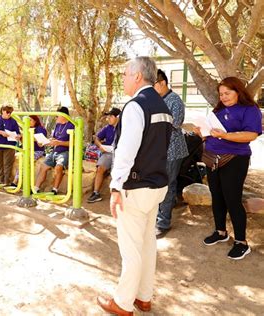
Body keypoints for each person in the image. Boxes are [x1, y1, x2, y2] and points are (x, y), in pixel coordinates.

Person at [97, 57, 172, 315]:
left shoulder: (135, 106)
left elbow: (126, 151)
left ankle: (123, 302)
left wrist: (115, 187)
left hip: (136, 187)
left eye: (126, 74)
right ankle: (144, 297)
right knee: (147, 245)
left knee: (131, 249)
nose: (124, 79)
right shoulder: (163, 105)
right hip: (157, 186)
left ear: (138, 76)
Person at [194, 77, 262, 260]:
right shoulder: (219, 110)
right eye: (221, 94)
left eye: (227, 93)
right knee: (217, 197)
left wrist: (225, 135)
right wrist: (202, 133)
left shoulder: (250, 110)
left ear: (238, 91)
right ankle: (221, 232)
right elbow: (211, 134)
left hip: (235, 159)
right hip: (212, 157)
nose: (223, 97)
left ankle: (241, 242)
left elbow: (251, 135)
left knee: (233, 200)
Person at [153, 69, 189, 238]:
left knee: (168, 185)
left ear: (162, 83)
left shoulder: (174, 100)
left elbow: (176, 123)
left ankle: (163, 222)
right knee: (161, 185)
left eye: (154, 85)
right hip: (159, 150)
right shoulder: (158, 99)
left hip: (172, 150)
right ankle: (161, 215)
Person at [33, 106, 74, 195]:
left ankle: (54, 190)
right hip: (54, 152)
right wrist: (44, 142)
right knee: (43, 166)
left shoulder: (72, 125)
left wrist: (59, 143)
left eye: (57, 116)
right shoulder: (58, 125)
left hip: (65, 152)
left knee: (58, 167)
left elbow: (73, 143)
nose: (55, 118)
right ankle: (36, 188)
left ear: (64, 116)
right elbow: (54, 139)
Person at [87, 107, 121, 203]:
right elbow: (96, 137)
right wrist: (100, 145)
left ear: (117, 117)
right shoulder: (107, 128)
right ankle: (96, 193)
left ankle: (118, 197)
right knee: (100, 168)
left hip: (120, 154)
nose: (108, 119)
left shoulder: (124, 127)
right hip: (108, 153)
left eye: (110, 116)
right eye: (108, 117)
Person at [0, 105, 20, 185]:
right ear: (2, 111)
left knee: (8, 164)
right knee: (0, 164)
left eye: (10, 112)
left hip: (9, 146)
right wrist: (1, 132)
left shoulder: (13, 121)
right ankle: (2, 180)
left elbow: (18, 133)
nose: (9, 114)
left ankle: (7, 182)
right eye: (7, 112)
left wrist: (18, 136)